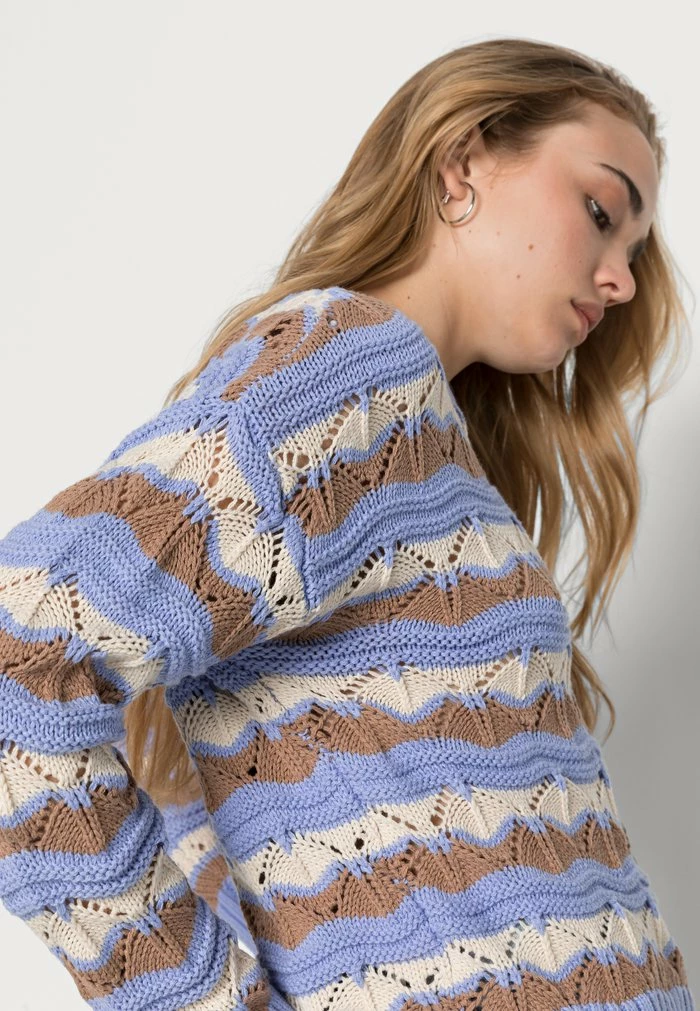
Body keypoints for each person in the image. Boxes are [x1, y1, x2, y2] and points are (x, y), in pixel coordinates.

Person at [0, 36, 694, 1011]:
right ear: (462, 165)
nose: (620, 279)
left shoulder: (426, 440)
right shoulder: (350, 378)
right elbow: (23, 659)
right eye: (601, 212)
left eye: (634, 252)